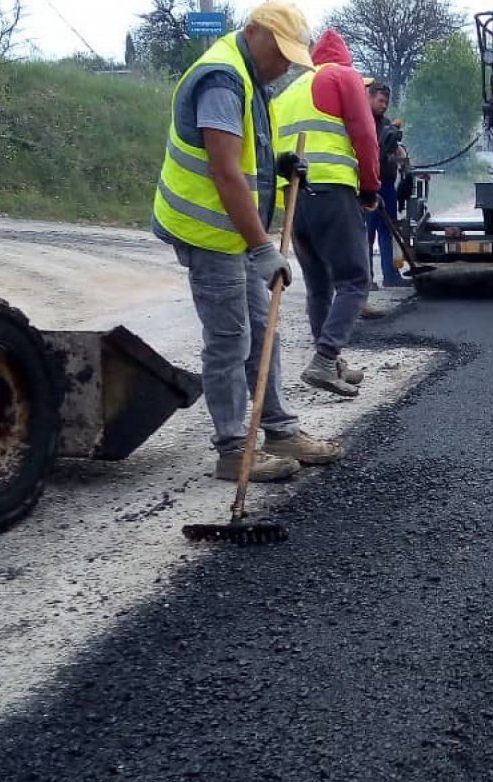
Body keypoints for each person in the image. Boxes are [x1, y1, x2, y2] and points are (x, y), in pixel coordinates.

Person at [152, 0, 344, 482]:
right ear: (255, 31)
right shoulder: (222, 78)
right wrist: (263, 248)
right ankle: (234, 448)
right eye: (279, 51)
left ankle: (278, 429)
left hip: (233, 231)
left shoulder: (252, 78)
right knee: (229, 339)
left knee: (264, 328)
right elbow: (224, 171)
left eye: (289, 55)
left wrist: (280, 164)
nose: (283, 64)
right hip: (208, 231)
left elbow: (247, 154)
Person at [274, 28, 381, 397]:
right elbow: (365, 135)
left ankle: (331, 363)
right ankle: (324, 358)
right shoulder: (342, 76)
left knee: (318, 285)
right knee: (354, 280)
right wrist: (370, 187)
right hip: (332, 193)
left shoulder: (287, 93)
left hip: (294, 198)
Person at [364, 81, 409, 289]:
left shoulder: (387, 124)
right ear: (370, 97)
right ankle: (366, 278)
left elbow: (395, 151)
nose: (384, 105)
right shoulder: (362, 122)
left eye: (386, 102)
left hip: (388, 184)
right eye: (380, 101)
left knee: (388, 230)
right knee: (367, 232)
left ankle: (391, 275)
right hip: (369, 183)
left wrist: (405, 161)